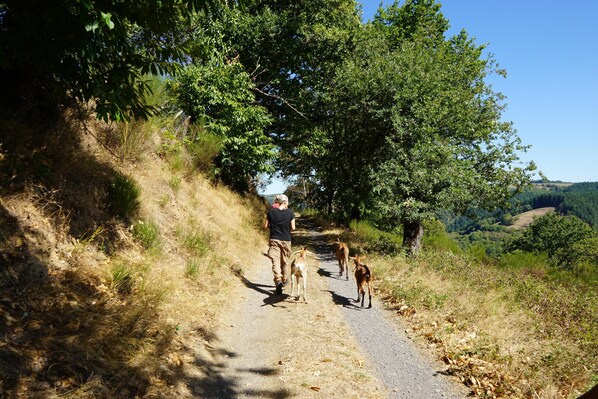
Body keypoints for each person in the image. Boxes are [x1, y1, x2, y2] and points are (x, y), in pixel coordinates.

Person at [264, 194, 295, 295]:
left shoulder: (271, 212)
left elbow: (265, 225)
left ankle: (278, 280)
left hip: (274, 238)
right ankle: (285, 279)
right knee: (285, 261)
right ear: (285, 202)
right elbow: (293, 228)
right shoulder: (290, 213)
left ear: (278, 202)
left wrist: (274, 228)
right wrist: (286, 230)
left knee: (275, 261)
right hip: (286, 240)